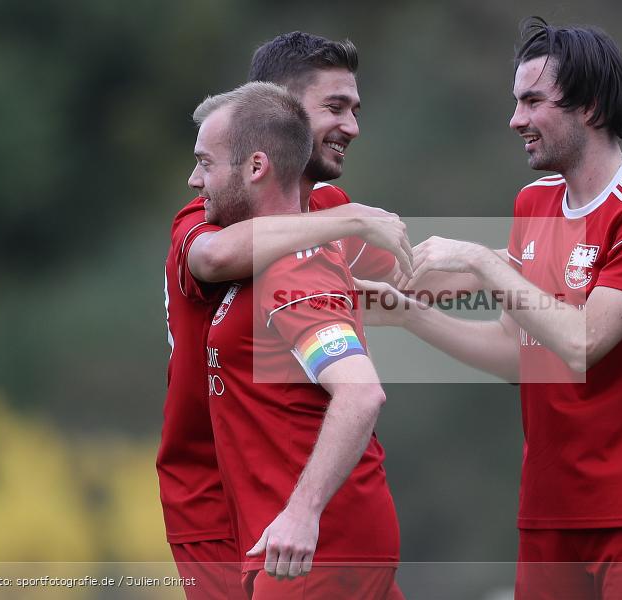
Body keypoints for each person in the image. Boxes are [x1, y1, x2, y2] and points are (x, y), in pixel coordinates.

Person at [361, 18, 622, 599]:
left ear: (590, 107)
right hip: (549, 510)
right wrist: (408, 314)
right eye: (516, 101)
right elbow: (519, 354)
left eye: (532, 101)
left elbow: (582, 342)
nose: (515, 119)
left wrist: (480, 259)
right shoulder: (534, 202)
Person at [159, 32, 409, 599]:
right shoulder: (211, 215)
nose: (351, 126)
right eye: (335, 107)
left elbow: (410, 278)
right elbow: (213, 258)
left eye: (354, 109)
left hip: (301, 513)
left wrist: (515, 271)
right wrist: (351, 224)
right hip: (214, 501)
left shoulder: (323, 221)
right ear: (278, 111)